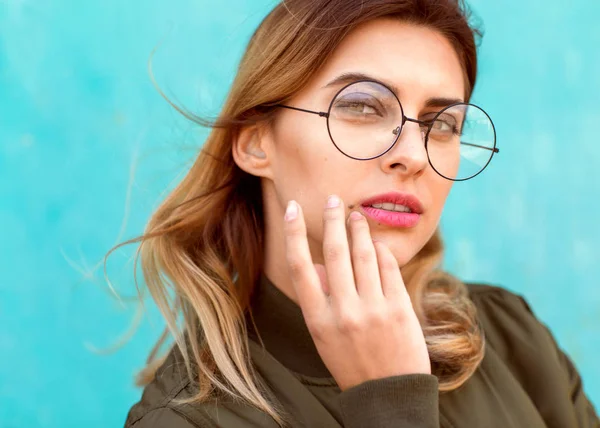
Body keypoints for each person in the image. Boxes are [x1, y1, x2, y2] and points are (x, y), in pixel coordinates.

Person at [120, 0, 600, 426]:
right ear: (256, 142)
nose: (412, 154)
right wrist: (391, 405)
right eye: (364, 107)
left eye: (443, 123)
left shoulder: (511, 337)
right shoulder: (191, 420)